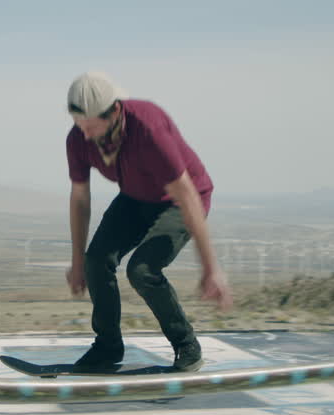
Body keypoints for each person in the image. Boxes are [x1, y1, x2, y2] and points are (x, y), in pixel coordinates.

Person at [64, 71, 232, 372]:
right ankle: (107, 349)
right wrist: (77, 262)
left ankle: (186, 345)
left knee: (142, 270)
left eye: (91, 126)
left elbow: (187, 195)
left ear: (115, 111)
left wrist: (210, 268)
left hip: (179, 201)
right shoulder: (78, 139)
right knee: (95, 261)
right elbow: (80, 198)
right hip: (135, 198)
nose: (85, 135)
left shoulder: (148, 128)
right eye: (79, 126)